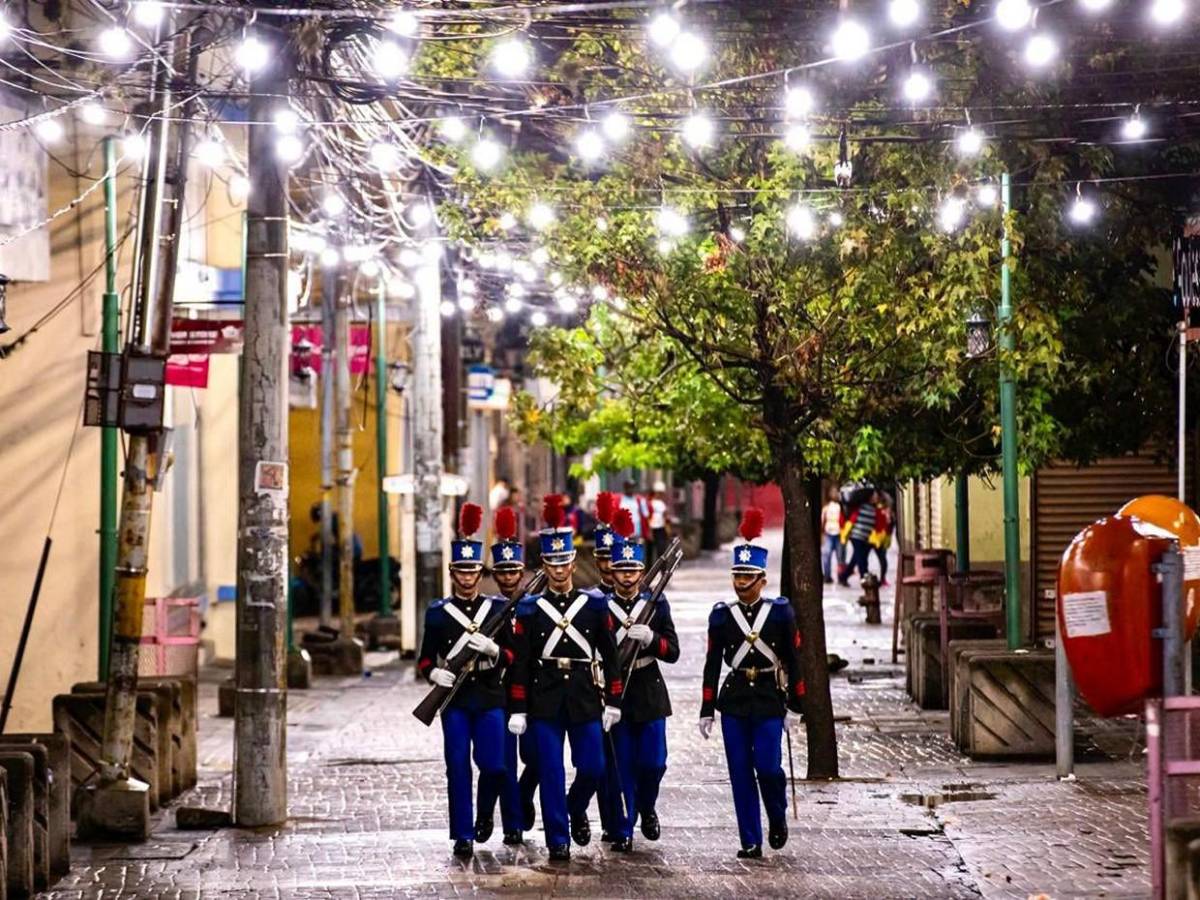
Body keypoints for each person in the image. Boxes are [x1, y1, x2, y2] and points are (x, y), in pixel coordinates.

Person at [506, 495, 624, 862]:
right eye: (552, 563)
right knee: (551, 772)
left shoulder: (593, 605)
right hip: (543, 697)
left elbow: (611, 654)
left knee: (592, 767)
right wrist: (519, 708)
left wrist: (615, 700)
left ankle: (576, 808)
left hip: (585, 696)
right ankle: (558, 838)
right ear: (544, 564)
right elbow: (522, 662)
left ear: (574, 562)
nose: (559, 570)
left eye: (565, 562)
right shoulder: (529, 609)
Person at [698, 508, 805, 859]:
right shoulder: (721, 615)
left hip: (770, 699)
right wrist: (707, 709)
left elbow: (794, 659)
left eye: (748, 576)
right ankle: (749, 838)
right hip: (735, 700)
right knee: (740, 772)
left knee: (769, 768)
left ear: (761, 579)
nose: (741, 582)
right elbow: (713, 663)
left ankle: (776, 815)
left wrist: (796, 705)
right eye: (737, 575)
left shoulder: (780, 613)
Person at [416, 503, 511, 860]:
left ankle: (485, 813)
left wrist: (494, 650)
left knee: (495, 765)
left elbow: (513, 656)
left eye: (473, 571)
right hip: (454, 698)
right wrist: (431, 673)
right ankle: (463, 834)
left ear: (479, 572)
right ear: (453, 573)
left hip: (489, 693)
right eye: (462, 571)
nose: (468, 578)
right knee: (457, 765)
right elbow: (426, 656)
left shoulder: (497, 608)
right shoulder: (438, 612)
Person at [603, 508, 679, 851]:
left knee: (655, 762)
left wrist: (651, 639)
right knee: (623, 769)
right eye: (622, 570)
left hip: (649, 689)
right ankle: (627, 827)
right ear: (613, 572)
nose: (628, 576)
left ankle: (647, 806)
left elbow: (673, 651)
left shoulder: (656, 604)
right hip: (617, 694)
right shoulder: (599, 607)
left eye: (634, 569)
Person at [476, 506, 534, 847]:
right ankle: (494, 817)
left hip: (532, 691)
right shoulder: (488, 608)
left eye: (513, 571)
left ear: (522, 571)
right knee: (498, 762)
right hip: (495, 689)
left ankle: (523, 797)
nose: (509, 577)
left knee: (537, 759)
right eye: (503, 572)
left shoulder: (533, 604)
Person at [838, 490, 878, 587]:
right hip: (856, 536)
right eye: (874, 495)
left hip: (865, 537)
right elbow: (852, 520)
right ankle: (864, 578)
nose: (876, 497)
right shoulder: (860, 507)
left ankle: (843, 576)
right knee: (861, 559)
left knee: (856, 558)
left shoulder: (873, 509)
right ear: (869, 497)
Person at [870, 494, 895, 586]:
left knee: (882, 559)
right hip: (880, 538)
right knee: (882, 559)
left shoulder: (880, 511)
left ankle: (882, 578)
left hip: (878, 538)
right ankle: (882, 578)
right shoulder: (881, 511)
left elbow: (889, 525)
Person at [820, 488, 842, 585]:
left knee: (840, 556)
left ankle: (841, 576)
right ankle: (827, 576)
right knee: (826, 555)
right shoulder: (826, 507)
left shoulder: (840, 507)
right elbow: (822, 521)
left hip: (838, 533)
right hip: (829, 533)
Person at [647, 481, 672, 567]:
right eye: (659, 493)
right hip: (651, 528)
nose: (660, 495)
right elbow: (648, 517)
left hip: (661, 529)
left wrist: (668, 529)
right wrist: (649, 530)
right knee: (649, 552)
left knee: (661, 551)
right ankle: (648, 571)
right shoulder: (650, 503)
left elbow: (665, 517)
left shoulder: (662, 504)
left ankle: (663, 570)